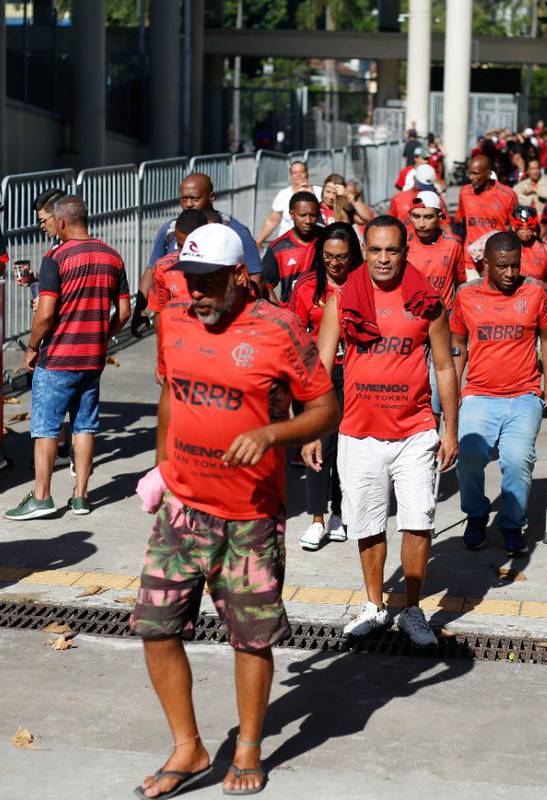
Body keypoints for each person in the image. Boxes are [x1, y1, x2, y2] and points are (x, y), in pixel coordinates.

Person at [131, 223, 340, 798]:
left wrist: (275, 433)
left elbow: (325, 407)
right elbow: (171, 391)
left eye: (207, 281)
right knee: (155, 627)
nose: (195, 292)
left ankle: (247, 746)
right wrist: (162, 467)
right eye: (189, 280)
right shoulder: (173, 319)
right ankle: (187, 745)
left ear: (239, 276)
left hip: (249, 516)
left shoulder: (279, 328)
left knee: (250, 638)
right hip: (181, 508)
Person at [310, 216, 460, 648]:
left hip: (415, 432)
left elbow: (446, 368)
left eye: (391, 250)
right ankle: (375, 606)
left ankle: (412, 610)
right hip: (359, 433)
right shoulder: (343, 299)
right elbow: (321, 366)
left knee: (418, 521)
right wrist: (311, 430)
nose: (382, 259)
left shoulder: (427, 302)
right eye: (374, 250)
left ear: (404, 252)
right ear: (365, 250)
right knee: (368, 524)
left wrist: (450, 430)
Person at [5, 196, 131, 520]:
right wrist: (104, 334)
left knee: (45, 428)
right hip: (93, 358)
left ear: (62, 221)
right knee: (85, 425)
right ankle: (81, 497)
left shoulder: (56, 258)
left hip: (58, 357)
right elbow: (126, 311)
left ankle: (42, 497)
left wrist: (32, 347)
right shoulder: (113, 257)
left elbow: (45, 314)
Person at [452, 232, 547, 554]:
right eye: (503, 267)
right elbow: (457, 344)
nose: (511, 274)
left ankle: (512, 523)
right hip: (479, 394)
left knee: (517, 460)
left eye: (515, 265)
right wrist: (454, 391)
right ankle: (476, 513)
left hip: (524, 394)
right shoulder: (466, 295)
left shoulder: (536, 292)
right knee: (468, 457)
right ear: (486, 263)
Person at [290, 224, 362, 550]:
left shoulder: (364, 283)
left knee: (346, 448)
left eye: (342, 257)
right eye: (329, 257)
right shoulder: (306, 286)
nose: (335, 263)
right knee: (319, 444)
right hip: (319, 375)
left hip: (357, 375)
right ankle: (316, 519)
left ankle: (338, 514)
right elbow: (293, 332)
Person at [145, 173, 263, 286]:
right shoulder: (170, 230)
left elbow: (255, 275)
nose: (188, 204)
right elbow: (151, 271)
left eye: (194, 199)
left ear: (211, 197)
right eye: (184, 199)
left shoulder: (235, 231)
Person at [452, 154, 517, 271]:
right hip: (470, 261)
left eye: (475, 173)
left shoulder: (507, 195)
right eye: (469, 173)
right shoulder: (465, 192)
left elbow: (515, 228)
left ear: (488, 174)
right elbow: (459, 220)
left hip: (497, 261)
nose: (471, 177)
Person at [407, 191, 467, 304]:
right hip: (412, 315)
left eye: (428, 217)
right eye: (416, 216)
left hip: (444, 315)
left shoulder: (453, 244)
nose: (421, 224)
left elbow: (461, 283)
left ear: (439, 217)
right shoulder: (404, 244)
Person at [261, 191, 320, 303]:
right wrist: (278, 311)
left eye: (313, 215)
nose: (308, 221)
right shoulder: (278, 248)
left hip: (323, 312)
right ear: (292, 214)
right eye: (302, 215)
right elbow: (264, 283)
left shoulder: (327, 240)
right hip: (292, 315)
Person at [255, 161, 322, 246]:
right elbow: (273, 221)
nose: (298, 175)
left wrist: (312, 195)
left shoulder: (319, 192)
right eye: (295, 173)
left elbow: (324, 216)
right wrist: (259, 241)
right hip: (286, 244)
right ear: (290, 176)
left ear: (307, 174)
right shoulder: (283, 194)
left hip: (312, 242)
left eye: (301, 172)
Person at [510, 206, 547, 286]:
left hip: (538, 293)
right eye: (520, 226)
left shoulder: (545, 247)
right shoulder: (507, 245)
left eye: (529, 227)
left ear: (534, 227)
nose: (525, 231)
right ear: (513, 227)